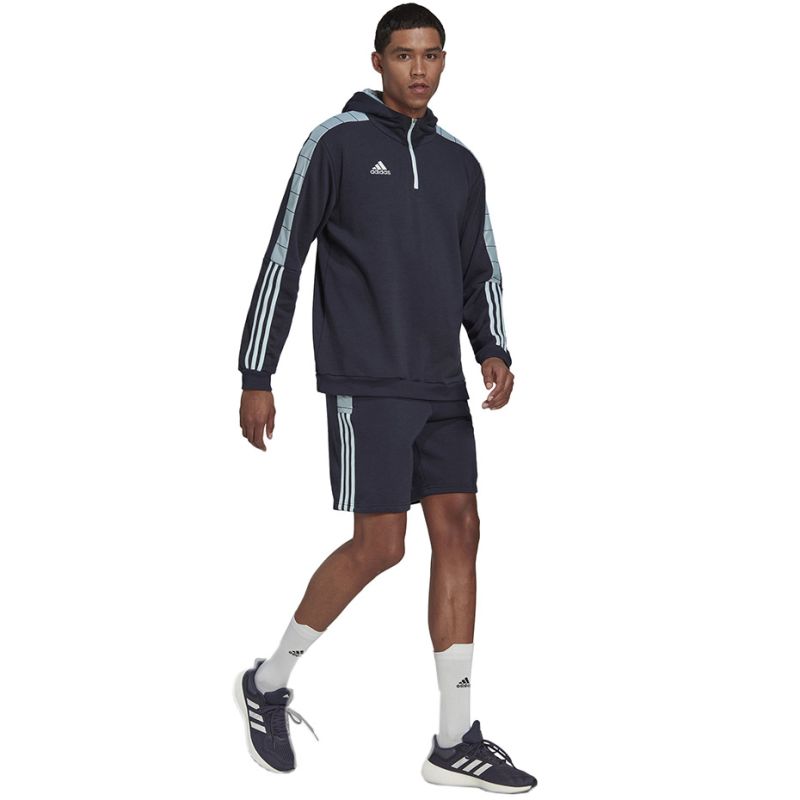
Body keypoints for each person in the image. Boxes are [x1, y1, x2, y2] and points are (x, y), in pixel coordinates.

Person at [235, 3, 536, 793]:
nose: (418, 69)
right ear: (377, 61)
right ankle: (268, 682)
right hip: (366, 380)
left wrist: (493, 347)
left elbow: (480, 268)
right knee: (381, 546)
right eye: (404, 55)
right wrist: (256, 374)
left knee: (462, 531)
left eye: (431, 55)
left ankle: (454, 739)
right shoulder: (334, 143)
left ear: (445, 61)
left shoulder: (460, 162)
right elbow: (283, 257)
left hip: (441, 382)